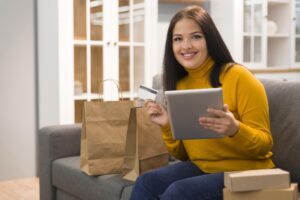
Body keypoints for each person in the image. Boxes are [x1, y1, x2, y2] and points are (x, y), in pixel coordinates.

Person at [130, 5, 274, 200]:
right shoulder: (179, 84)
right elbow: (183, 155)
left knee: (178, 192)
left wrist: (235, 129)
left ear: (210, 40)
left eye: (196, 37)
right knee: (145, 183)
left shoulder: (239, 77)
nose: (186, 46)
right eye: (178, 39)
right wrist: (167, 126)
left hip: (248, 171)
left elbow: (265, 144)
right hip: (203, 167)